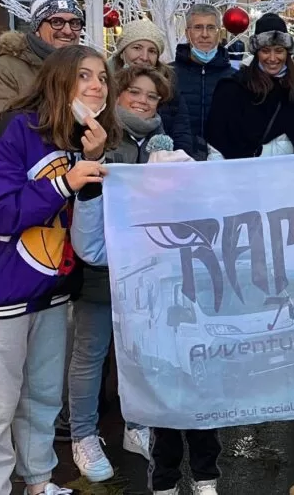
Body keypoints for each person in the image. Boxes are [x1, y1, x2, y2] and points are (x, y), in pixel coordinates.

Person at [0, 45, 118, 495]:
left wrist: (93, 166)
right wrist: (65, 183)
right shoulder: (15, 130)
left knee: (43, 395)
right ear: (58, 79)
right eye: (84, 75)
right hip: (1, 287)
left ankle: (38, 480)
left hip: (51, 285)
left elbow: (87, 232)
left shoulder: (84, 139)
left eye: (103, 77)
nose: (97, 85)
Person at [68, 133, 221, 495]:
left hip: (199, 348)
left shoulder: (208, 232)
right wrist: (89, 195)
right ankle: (165, 483)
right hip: (158, 352)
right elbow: (92, 248)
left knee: (203, 417)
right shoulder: (135, 230)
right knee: (162, 422)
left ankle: (205, 479)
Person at [67, 65, 174, 482]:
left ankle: (137, 426)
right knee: (91, 353)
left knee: (139, 352)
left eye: (152, 96)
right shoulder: (98, 134)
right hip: (100, 262)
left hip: (145, 266)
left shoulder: (161, 142)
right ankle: (83, 435)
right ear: (119, 93)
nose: (143, 101)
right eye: (135, 92)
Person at [206, 14, 294, 159]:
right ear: (256, 52)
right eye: (265, 51)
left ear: (287, 52)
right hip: (240, 172)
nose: (272, 58)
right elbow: (217, 144)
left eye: (279, 50)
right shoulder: (232, 89)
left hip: (288, 173)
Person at [0, 0, 85, 135]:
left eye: (74, 23)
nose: (68, 31)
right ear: (37, 28)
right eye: (57, 22)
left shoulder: (87, 69)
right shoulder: (5, 70)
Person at [109, 19, 195, 156]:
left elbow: (182, 135)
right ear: (122, 52)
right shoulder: (103, 86)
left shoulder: (169, 90)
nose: (144, 57)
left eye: (152, 51)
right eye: (137, 48)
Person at [173, 4, 235, 159]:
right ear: (187, 33)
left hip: (223, 163)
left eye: (211, 28)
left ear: (219, 33)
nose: (205, 34)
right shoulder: (168, 75)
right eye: (198, 27)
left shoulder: (236, 78)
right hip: (179, 162)